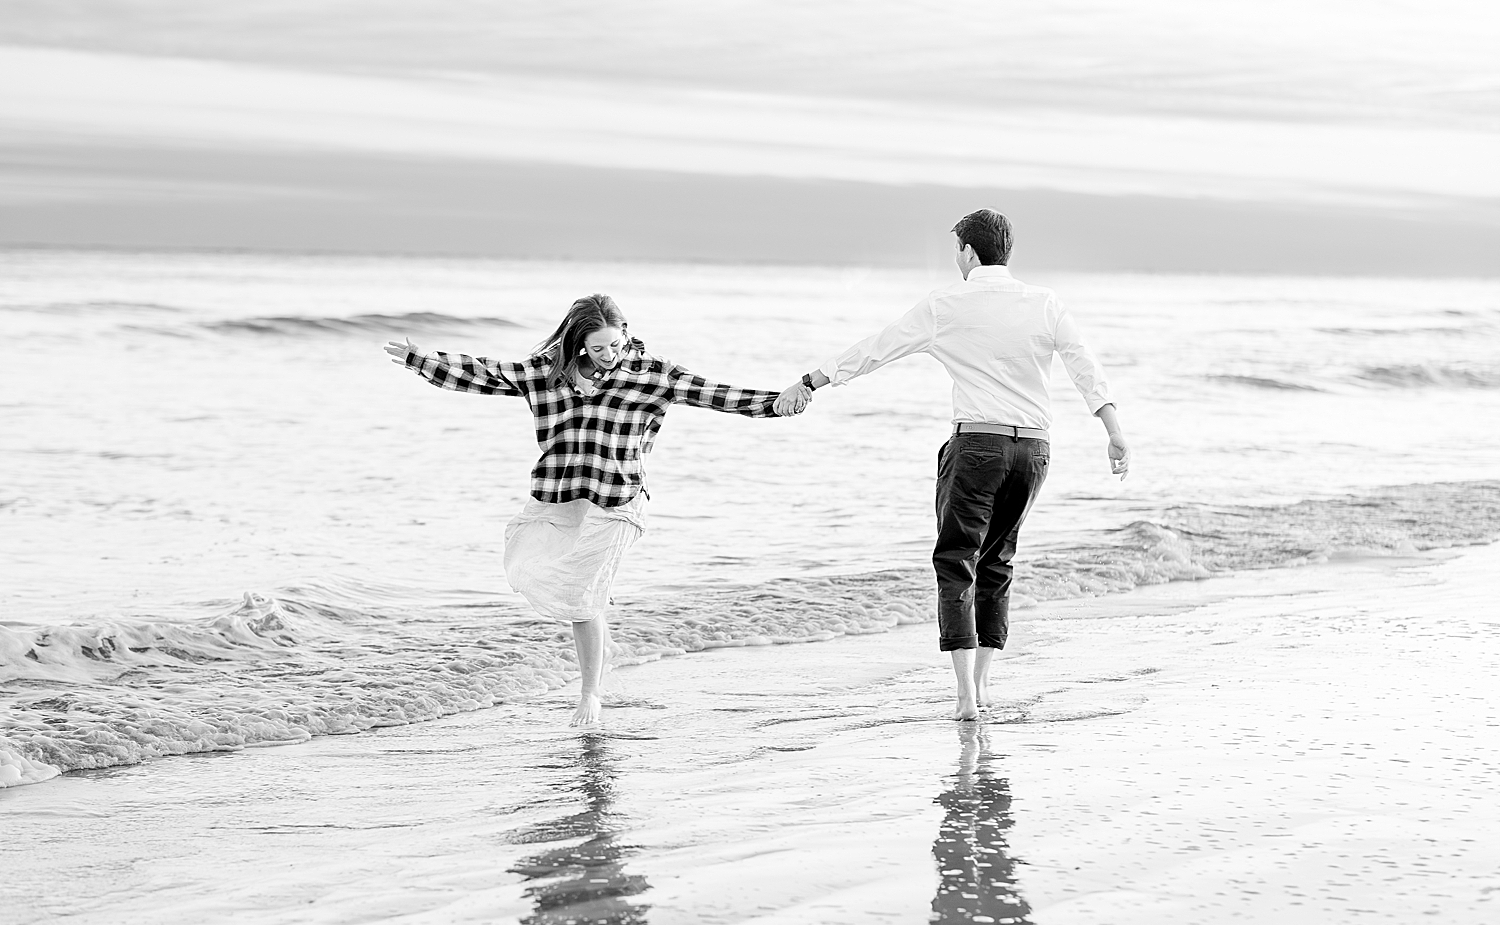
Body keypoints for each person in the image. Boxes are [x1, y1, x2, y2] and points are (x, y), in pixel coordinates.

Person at [774, 209, 1130, 721]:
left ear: (967, 251)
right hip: (1033, 450)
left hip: (978, 447)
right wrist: (1113, 430)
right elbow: (1084, 366)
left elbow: (877, 350)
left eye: (956, 251)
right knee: (997, 562)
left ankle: (965, 694)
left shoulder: (947, 304)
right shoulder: (1045, 303)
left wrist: (809, 382)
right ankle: (985, 686)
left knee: (956, 561)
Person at [385, 293, 799, 727]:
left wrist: (774, 402)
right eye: (597, 348)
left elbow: (714, 394)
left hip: (617, 499)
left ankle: (591, 693)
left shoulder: (654, 375)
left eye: (615, 345)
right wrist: (422, 359)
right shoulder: (549, 372)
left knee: (580, 596)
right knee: (531, 569)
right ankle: (602, 639)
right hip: (559, 494)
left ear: (625, 334)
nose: (608, 355)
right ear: (579, 341)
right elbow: (489, 374)